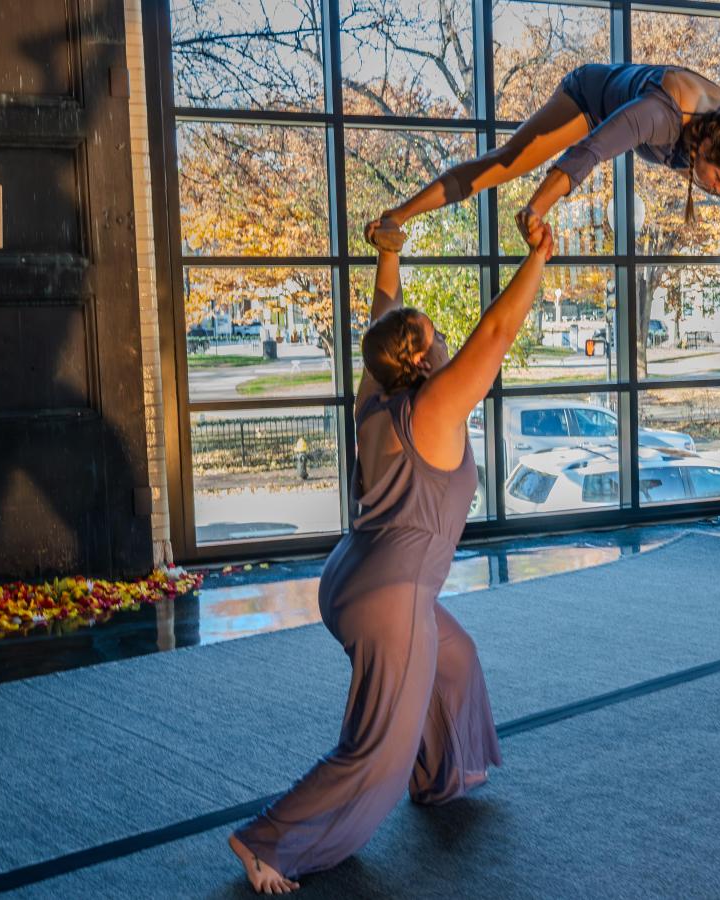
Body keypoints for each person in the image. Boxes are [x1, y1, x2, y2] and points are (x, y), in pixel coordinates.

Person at [227, 218, 557, 893]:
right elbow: (495, 335)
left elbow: (382, 319)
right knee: (377, 747)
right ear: (421, 361)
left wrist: (388, 253)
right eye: (435, 337)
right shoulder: (433, 410)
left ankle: (442, 779)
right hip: (391, 595)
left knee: (454, 659)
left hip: (350, 576)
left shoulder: (375, 394)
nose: (443, 343)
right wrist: (538, 258)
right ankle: (266, 841)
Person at [364, 62, 720, 298]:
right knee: (508, 160)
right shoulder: (659, 116)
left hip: (712, 157)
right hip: (590, 100)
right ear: (701, 148)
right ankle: (397, 214)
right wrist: (537, 208)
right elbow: (588, 152)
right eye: (716, 178)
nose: (716, 187)